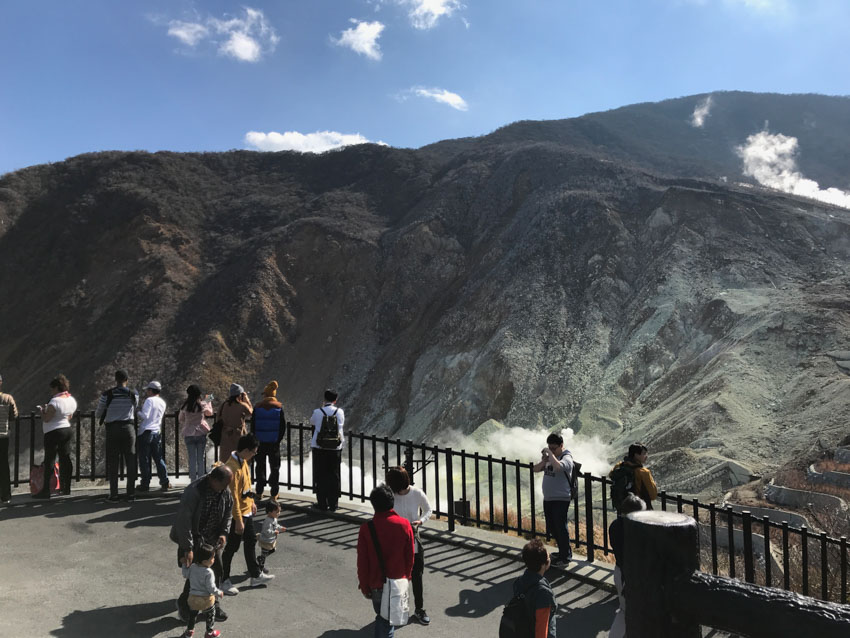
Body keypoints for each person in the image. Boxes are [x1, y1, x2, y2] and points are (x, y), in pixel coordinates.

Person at [171, 464, 234, 623]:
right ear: (213, 479)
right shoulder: (194, 491)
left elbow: (228, 513)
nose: (225, 489)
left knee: (216, 570)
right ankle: (185, 604)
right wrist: (188, 548)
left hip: (212, 538)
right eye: (223, 485)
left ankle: (212, 605)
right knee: (197, 574)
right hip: (195, 537)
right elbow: (184, 521)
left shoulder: (223, 490)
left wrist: (223, 533)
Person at [357, 484, 415, 638]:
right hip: (398, 582)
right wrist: (407, 577)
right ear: (392, 502)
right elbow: (410, 557)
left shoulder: (366, 529)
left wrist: (364, 586)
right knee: (388, 621)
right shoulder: (404, 525)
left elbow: (362, 562)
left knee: (383, 618)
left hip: (376, 584)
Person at [220, 434, 274, 595]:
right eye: (253, 452)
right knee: (231, 547)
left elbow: (246, 487)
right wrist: (238, 520)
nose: (254, 455)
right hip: (238, 514)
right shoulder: (233, 468)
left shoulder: (242, 462)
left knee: (250, 541)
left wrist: (251, 504)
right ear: (245, 450)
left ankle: (256, 575)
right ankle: (224, 580)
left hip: (246, 511)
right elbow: (233, 497)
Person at [385, 466, 433, 626]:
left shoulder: (416, 493)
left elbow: (428, 510)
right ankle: (398, 609)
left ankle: (419, 608)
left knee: (416, 576)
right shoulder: (390, 494)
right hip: (395, 539)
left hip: (413, 537)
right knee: (398, 578)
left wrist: (420, 521)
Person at [95, 369, 139, 502]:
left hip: (112, 429)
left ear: (116, 379)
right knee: (130, 460)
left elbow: (98, 413)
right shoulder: (133, 394)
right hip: (128, 429)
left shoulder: (107, 394)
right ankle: (130, 494)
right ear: (127, 380)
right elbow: (135, 409)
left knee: (113, 461)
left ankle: (114, 494)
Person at [532, 432, 575, 566]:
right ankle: (562, 552)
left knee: (560, 527)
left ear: (561, 446)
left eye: (554, 448)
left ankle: (565, 556)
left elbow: (559, 467)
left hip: (561, 498)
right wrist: (544, 460)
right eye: (549, 448)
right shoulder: (551, 458)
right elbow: (535, 469)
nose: (552, 451)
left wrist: (550, 455)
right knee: (552, 526)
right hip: (549, 498)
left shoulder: (566, 457)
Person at [607, 494, 646, 638]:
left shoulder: (615, 527)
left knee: (624, 611)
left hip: (619, 572)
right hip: (634, 577)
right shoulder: (636, 531)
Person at [33, 374, 77, 500]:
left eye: (52, 389)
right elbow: (69, 416)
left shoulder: (54, 401)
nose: (51, 391)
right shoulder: (71, 400)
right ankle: (66, 487)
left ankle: (46, 490)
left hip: (53, 432)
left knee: (50, 460)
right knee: (65, 458)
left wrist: (42, 411)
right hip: (66, 430)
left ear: (56, 388)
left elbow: (47, 419)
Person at [510, 538, 557, 638]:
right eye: (548, 557)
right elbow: (541, 629)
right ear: (543, 565)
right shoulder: (543, 594)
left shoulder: (519, 582)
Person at [309, 389, 345, 511]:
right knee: (334, 475)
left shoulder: (317, 412)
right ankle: (333, 504)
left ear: (324, 399)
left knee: (321, 475)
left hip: (320, 447)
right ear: (335, 400)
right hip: (335, 448)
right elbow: (341, 425)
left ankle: (322, 503)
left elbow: (312, 422)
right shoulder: (340, 412)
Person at [251, 381, 286, 501]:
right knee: (274, 467)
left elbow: (253, 425)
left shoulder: (257, 407)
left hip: (260, 442)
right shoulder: (279, 407)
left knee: (260, 466)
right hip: (273, 443)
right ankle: (274, 493)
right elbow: (282, 426)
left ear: (265, 395)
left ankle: (259, 491)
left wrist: (255, 439)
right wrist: (278, 440)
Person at [181, 542, 222, 638]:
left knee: (193, 615)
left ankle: (189, 632)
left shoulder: (193, 567)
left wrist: (184, 564)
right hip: (206, 599)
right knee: (211, 614)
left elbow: (185, 575)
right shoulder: (209, 572)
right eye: (212, 558)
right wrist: (218, 592)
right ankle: (209, 632)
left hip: (193, 598)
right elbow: (211, 587)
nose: (214, 560)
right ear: (204, 561)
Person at [137, 380, 171, 492]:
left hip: (146, 432)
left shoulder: (149, 400)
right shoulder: (162, 402)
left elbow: (145, 416)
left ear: (151, 390)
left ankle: (145, 483)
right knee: (158, 458)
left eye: (147, 390)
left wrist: (137, 412)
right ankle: (165, 481)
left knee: (145, 459)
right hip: (156, 432)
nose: (146, 392)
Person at [179, 385, 214, 482]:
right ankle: (201, 480)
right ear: (199, 394)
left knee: (192, 458)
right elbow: (209, 413)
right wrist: (209, 400)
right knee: (200, 458)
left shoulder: (185, 406)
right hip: (200, 432)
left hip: (188, 433)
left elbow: (181, 419)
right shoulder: (202, 404)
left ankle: (192, 480)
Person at [609, 443, 658, 509]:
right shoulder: (643, 472)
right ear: (636, 455)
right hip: (637, 507)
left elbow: (611, 475)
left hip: (621, 506)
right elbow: (653, 495)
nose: (646, 456)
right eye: (644, 454)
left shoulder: (619, 466)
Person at [217, 384, 252, 461]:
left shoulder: (224, 405)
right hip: (238, 436)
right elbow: (251, 413)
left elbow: (218, 418)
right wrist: (246, 400)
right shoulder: (242, 406)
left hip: (226, 436)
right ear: (240, 395)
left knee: (226, 460)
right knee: (239, 459)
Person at [0, 374, 19, 504]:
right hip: (3, 435)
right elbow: (14, 415)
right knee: (3, 465)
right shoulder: (8, 398)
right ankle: (5, 495)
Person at [257, 499, 286, 574]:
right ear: (270, 512)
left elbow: (276, 525)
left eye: (279, 511)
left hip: (270, 540)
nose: (279, 513)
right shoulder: (267, 521)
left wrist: (280, 528)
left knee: (273, 550)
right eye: (277, 512)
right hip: (265, 540)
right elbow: (266, 532)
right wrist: (274, 532)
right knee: (264, 553)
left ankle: (260, 559)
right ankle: (260, 568)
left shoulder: (274, 518)